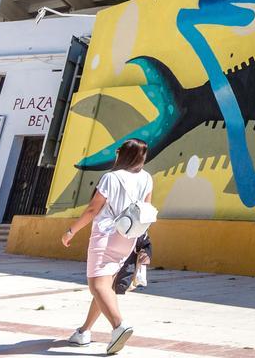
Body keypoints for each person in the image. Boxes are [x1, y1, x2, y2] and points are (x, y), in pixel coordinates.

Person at [60, 138, 153, 354]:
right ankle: (84, 332)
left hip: (106, 236)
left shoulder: (110, 178)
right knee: (106, 287)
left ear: (122, 155)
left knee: (97, 286)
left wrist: (70, 231)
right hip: (128, 239)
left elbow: (93, 209)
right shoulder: (147, 178)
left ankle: (119, 325)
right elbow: (146, 209)